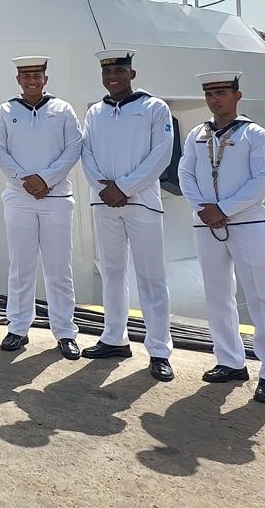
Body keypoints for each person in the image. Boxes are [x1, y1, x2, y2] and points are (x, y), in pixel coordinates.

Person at [179, 71, 265, 403]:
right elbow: (185, 171)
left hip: (246, 224)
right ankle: (229, 360)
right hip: (207, 224)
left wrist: (223, 208)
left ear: (237, 96)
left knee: (261, 298)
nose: (215, 99)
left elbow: (263, 181)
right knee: (217, 294)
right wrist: (202, 207)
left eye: (222, 92)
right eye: (210, 94)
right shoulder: (198, 134)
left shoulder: (256, 135)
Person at [79, 50, 175, 382]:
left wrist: (124, 187)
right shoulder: (94, 113)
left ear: (132, 74)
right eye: (107, 73)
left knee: (151, 278)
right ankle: (114, 338)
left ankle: (160, 349)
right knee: (112, 272)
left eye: (119, 71)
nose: (113, 78)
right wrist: (104, 188)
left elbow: (160, 155)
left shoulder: (154, 108)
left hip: (142, 203)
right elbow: (86, 153)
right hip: (103, 202)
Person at [0, 56, 84, 359]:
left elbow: (74, 147)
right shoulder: (6, 111)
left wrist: (46, 179)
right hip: (19, 197)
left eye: (37, 75)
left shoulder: (62, 109)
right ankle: (18, 327)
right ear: (18, 79)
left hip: (56, 198)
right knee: (21, 266)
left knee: (58, 269)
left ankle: (65, 332)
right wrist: (24, 179)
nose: (31, 81)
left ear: (46, 78)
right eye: (26, 75)